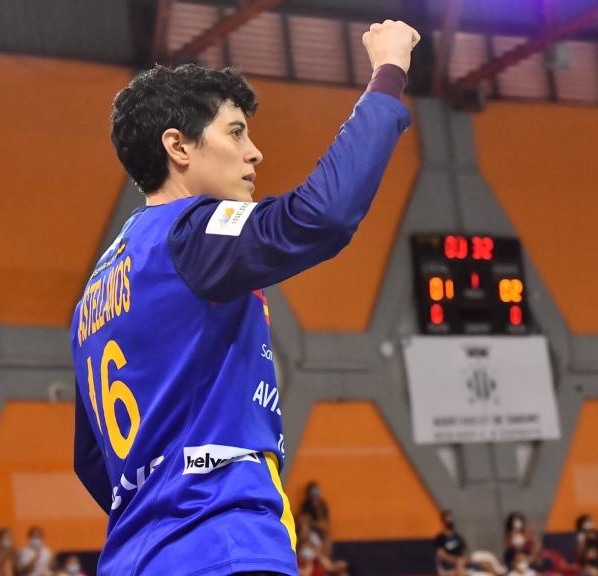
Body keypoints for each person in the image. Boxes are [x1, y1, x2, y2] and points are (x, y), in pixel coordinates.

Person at [69, 17, 420, 576]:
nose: (254, 152)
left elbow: (93, 461)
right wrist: (388, 72)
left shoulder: (95, 293)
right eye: (236, 132)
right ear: (177, 146)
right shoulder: (194, 234)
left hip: (135, 558)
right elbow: (320, 216)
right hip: (223, 545)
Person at [435, 510, 504, 576]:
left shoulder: (457, 536)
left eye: (452, 519)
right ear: (443, 520)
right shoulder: (440, 538)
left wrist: (466, 558)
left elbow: (465, 550)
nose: (451, 521)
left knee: (487, 563)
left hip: (464, 561)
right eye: (449, 519)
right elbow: (441, 555)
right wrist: (455, 559)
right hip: (451, 564)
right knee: (460, 562)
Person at [299, 482, 332, 551]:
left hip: (319, 534)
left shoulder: (322, 505)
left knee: (327, 533)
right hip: (310, 534)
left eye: (316, 491)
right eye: (313, 492)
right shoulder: (306, 505)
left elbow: (324, 524)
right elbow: (304, 520)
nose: (315, 494)